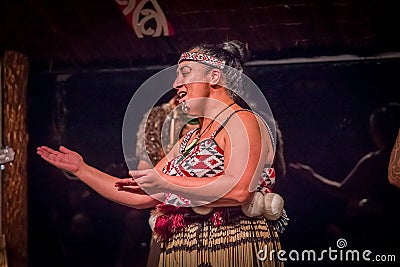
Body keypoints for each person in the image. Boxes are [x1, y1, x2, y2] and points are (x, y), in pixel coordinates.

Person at [37, 40, 287, 266]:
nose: (176, 83)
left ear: (214, 76)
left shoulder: (241, 120)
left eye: (185, 73)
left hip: (231, 245)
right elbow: (142, 196)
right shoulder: (189, 138)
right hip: (185, 250)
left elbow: (239, 191)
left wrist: (166, 181)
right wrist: (81, 169)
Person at [290, 102, 400, 248]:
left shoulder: (373, 161)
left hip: (381, 231)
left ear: (379, 131)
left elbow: (343, 190)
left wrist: (311, 175)